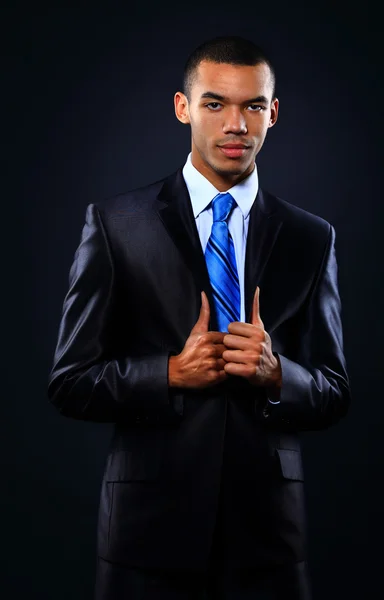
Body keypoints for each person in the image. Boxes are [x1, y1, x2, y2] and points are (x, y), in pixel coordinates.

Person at [47, 35, 351, 600]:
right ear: (183, 107)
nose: (235, 123)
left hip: (269, 540)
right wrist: (168, 374)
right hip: (146, 534)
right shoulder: (116, 224)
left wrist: (278, 373)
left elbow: (334, 391)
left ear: (273, 113)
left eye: (252, 106)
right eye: (215, 103)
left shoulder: (312, 237)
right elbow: (68, 383)